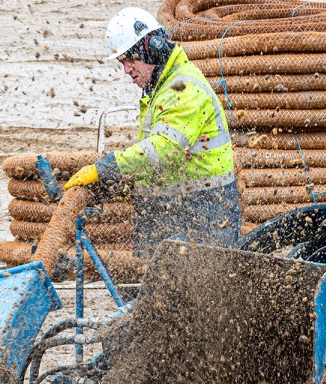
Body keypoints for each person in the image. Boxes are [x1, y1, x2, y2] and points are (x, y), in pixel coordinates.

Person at [64, 7, 241, 258]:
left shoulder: (183, 89)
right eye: (121, 63)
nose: (126, 70)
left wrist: (105, 168)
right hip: (177, 210)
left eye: (129, 59)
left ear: (152, 48)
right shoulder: (159, 88)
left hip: (204, 213)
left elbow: (163, 150)